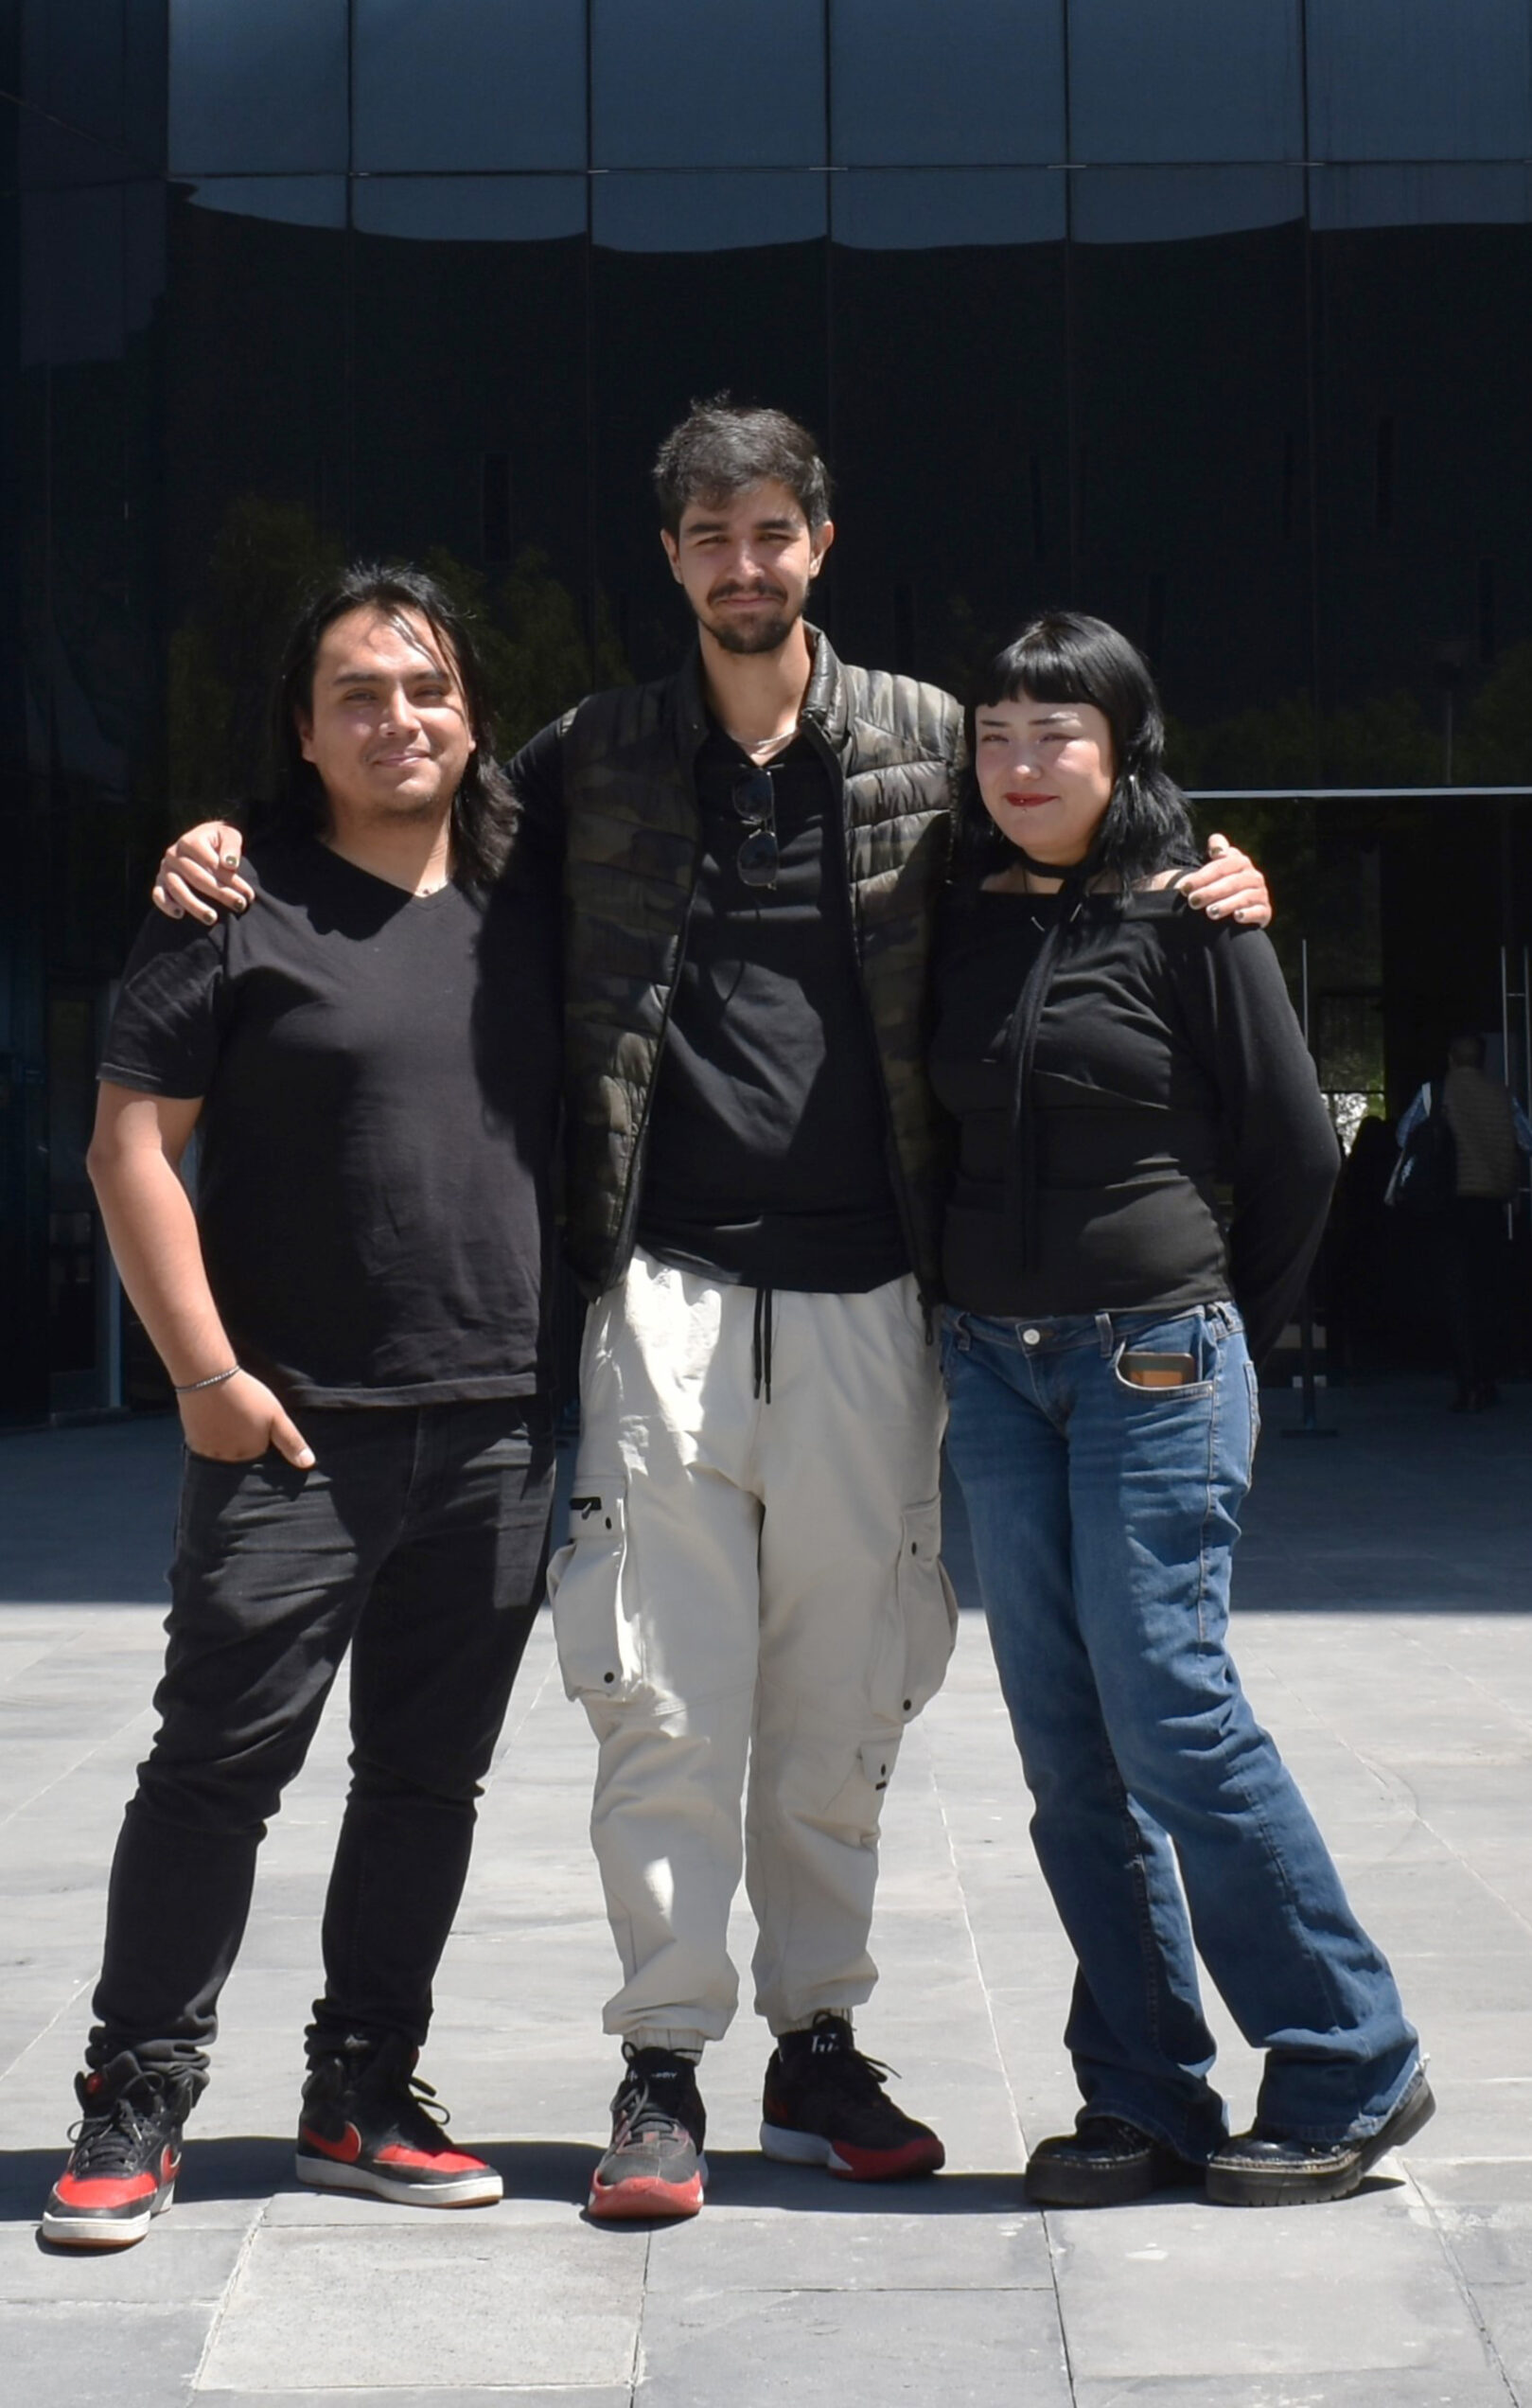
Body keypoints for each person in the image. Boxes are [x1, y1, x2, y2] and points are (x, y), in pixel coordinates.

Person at [150, 401, 1271, 2224]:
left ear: (819, 539)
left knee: (846, 1696)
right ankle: (660, 2064)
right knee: (658, 1697)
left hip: (874, 1299)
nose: (742, 565)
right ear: (669, 555)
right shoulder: (593, 753)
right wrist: (228, 841)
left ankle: (818, 2044)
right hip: (659, 1293)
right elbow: (403, 822)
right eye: (707, 536)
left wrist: (1209, 868)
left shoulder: (929, 737)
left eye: (770, 532)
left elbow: (1080, 838)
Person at [42, 567, 559, 2249]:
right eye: (357, 693)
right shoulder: (229, 904)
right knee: (214, 1769)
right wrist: (203, 1379)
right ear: (304, 728)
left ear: (469, 714)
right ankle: (136, 2091)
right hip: (291, 1432)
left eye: (426, 687)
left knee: (425, 1783)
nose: (397, 717)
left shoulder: (538, 896)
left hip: (498, 1426)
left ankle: (362, 2091)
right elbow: (129, 1146)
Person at [932, 611, 1430, 2210]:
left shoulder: (1194, 918)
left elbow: (1292, 1154)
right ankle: (1141, 2093)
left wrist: (1222, 1334)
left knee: (1169, 1710)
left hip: (1151, 1357)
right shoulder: (949, 914)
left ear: (1120, 749)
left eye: (1054, 734)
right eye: (995, 734)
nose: (1019, 763)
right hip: (992, 1369)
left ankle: (1348, 2057)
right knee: (1064, 1745)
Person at [1394, 1033, 1532, 1410]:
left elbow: (1404, 1135)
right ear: (1482, 1061)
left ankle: (1468, 1380)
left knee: (1456, 1294)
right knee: (1488, 1292)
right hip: (1490, 1205)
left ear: (1451, 1059)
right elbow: (1525, 1139)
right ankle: (1488, 1378)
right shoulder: (1502, 1096)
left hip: (1448, 1203)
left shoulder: (1434, 1093)